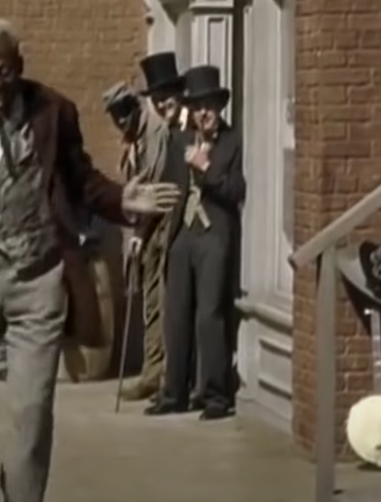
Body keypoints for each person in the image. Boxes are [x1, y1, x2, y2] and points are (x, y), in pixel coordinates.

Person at [0, 18, 180, 502]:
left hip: (39, 279)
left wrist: (122, 200)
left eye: (2, 72)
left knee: (32, 412)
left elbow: (80, 179)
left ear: (19, 65)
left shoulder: (55, 111)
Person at [145, 65, 246, 420]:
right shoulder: (180, 139)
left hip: (214, 235)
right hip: (181, 236)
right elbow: (170, 189)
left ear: (219, 108)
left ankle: (216, 396)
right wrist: (146, 233)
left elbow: (237, 192)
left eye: (210, 107)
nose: (204, 113)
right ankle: (175, 393)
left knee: (209, 316)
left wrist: (208, 170)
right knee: (175, 315)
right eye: (198, 107)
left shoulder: (233, 142)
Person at [102, 52, 183, 402]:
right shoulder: (135, 136)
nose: (122, 126)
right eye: (117, 121)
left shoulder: (156, 133)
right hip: (143, 231)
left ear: (135, 108)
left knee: (157, 302)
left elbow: (152, 187)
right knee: (148, 300)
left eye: (125, 117)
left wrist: (138, 234)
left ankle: (156, 372)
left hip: (159, 228)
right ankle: (153, 368)